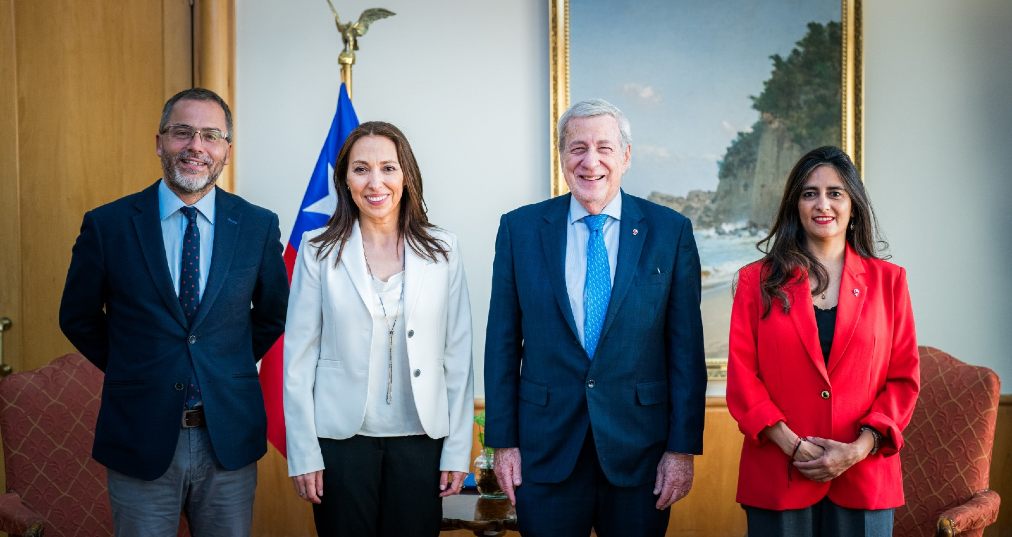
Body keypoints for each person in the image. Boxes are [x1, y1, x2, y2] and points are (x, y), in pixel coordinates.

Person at [59, 87, 289, 536]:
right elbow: (78, 317)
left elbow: (273, 314)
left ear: (226, 149)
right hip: (139, 433)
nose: (195, 146)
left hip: (228, 436)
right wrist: (136, 364)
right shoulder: (108, 225)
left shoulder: (258, 226)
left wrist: (223, 362)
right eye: (182, 132)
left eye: (209, 135)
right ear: (159, 141)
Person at [483, 99, 706, 537]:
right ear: (562, 157)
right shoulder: (520, 230)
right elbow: (502, 345)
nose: (590, 161)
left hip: (641, 453)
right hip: (544, 453)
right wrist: (503, 445)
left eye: (604, 147)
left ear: (625, 156)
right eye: (577, 147)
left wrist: (681, 450)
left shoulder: (670, 231)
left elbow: (685, 351)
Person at [284, 121, 474, 537]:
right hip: (340, 442)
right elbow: (296, 361)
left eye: (388, 168)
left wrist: (458, 451)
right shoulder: (317, 250)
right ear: (345, 179)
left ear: (406, 174)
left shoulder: (444, 250)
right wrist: (303, 453)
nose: (375, 182)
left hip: (421, 441)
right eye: (360, 169)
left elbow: (457, 357)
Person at [727, 146, 920, 537]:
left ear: (853, 205)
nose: (822, 204)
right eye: (809, 193)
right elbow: (743, 379)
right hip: (779, 475)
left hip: (865, 476)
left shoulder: (890, 282)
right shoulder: (756, 281)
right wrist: (793, 446)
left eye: (835, 192)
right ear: (795, 205)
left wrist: (859, 448)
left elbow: (903, 379)